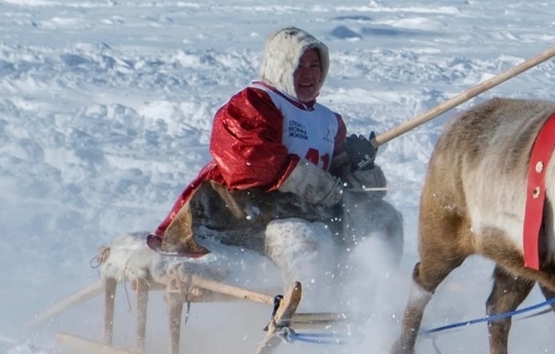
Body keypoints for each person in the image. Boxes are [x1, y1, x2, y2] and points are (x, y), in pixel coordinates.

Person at [150, 26, 402, 282]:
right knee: (303, 240)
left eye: (314, 65)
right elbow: (246, 160)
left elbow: (340, 186)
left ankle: (374, 299)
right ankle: (308, 314)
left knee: (384, 218)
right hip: (246, 215)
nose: (308, 74)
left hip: (314, 214)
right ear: (280, 65)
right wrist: (304, 179)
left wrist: (363, 167)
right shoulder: (254, 102)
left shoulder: (330, 121)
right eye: (297, 65)